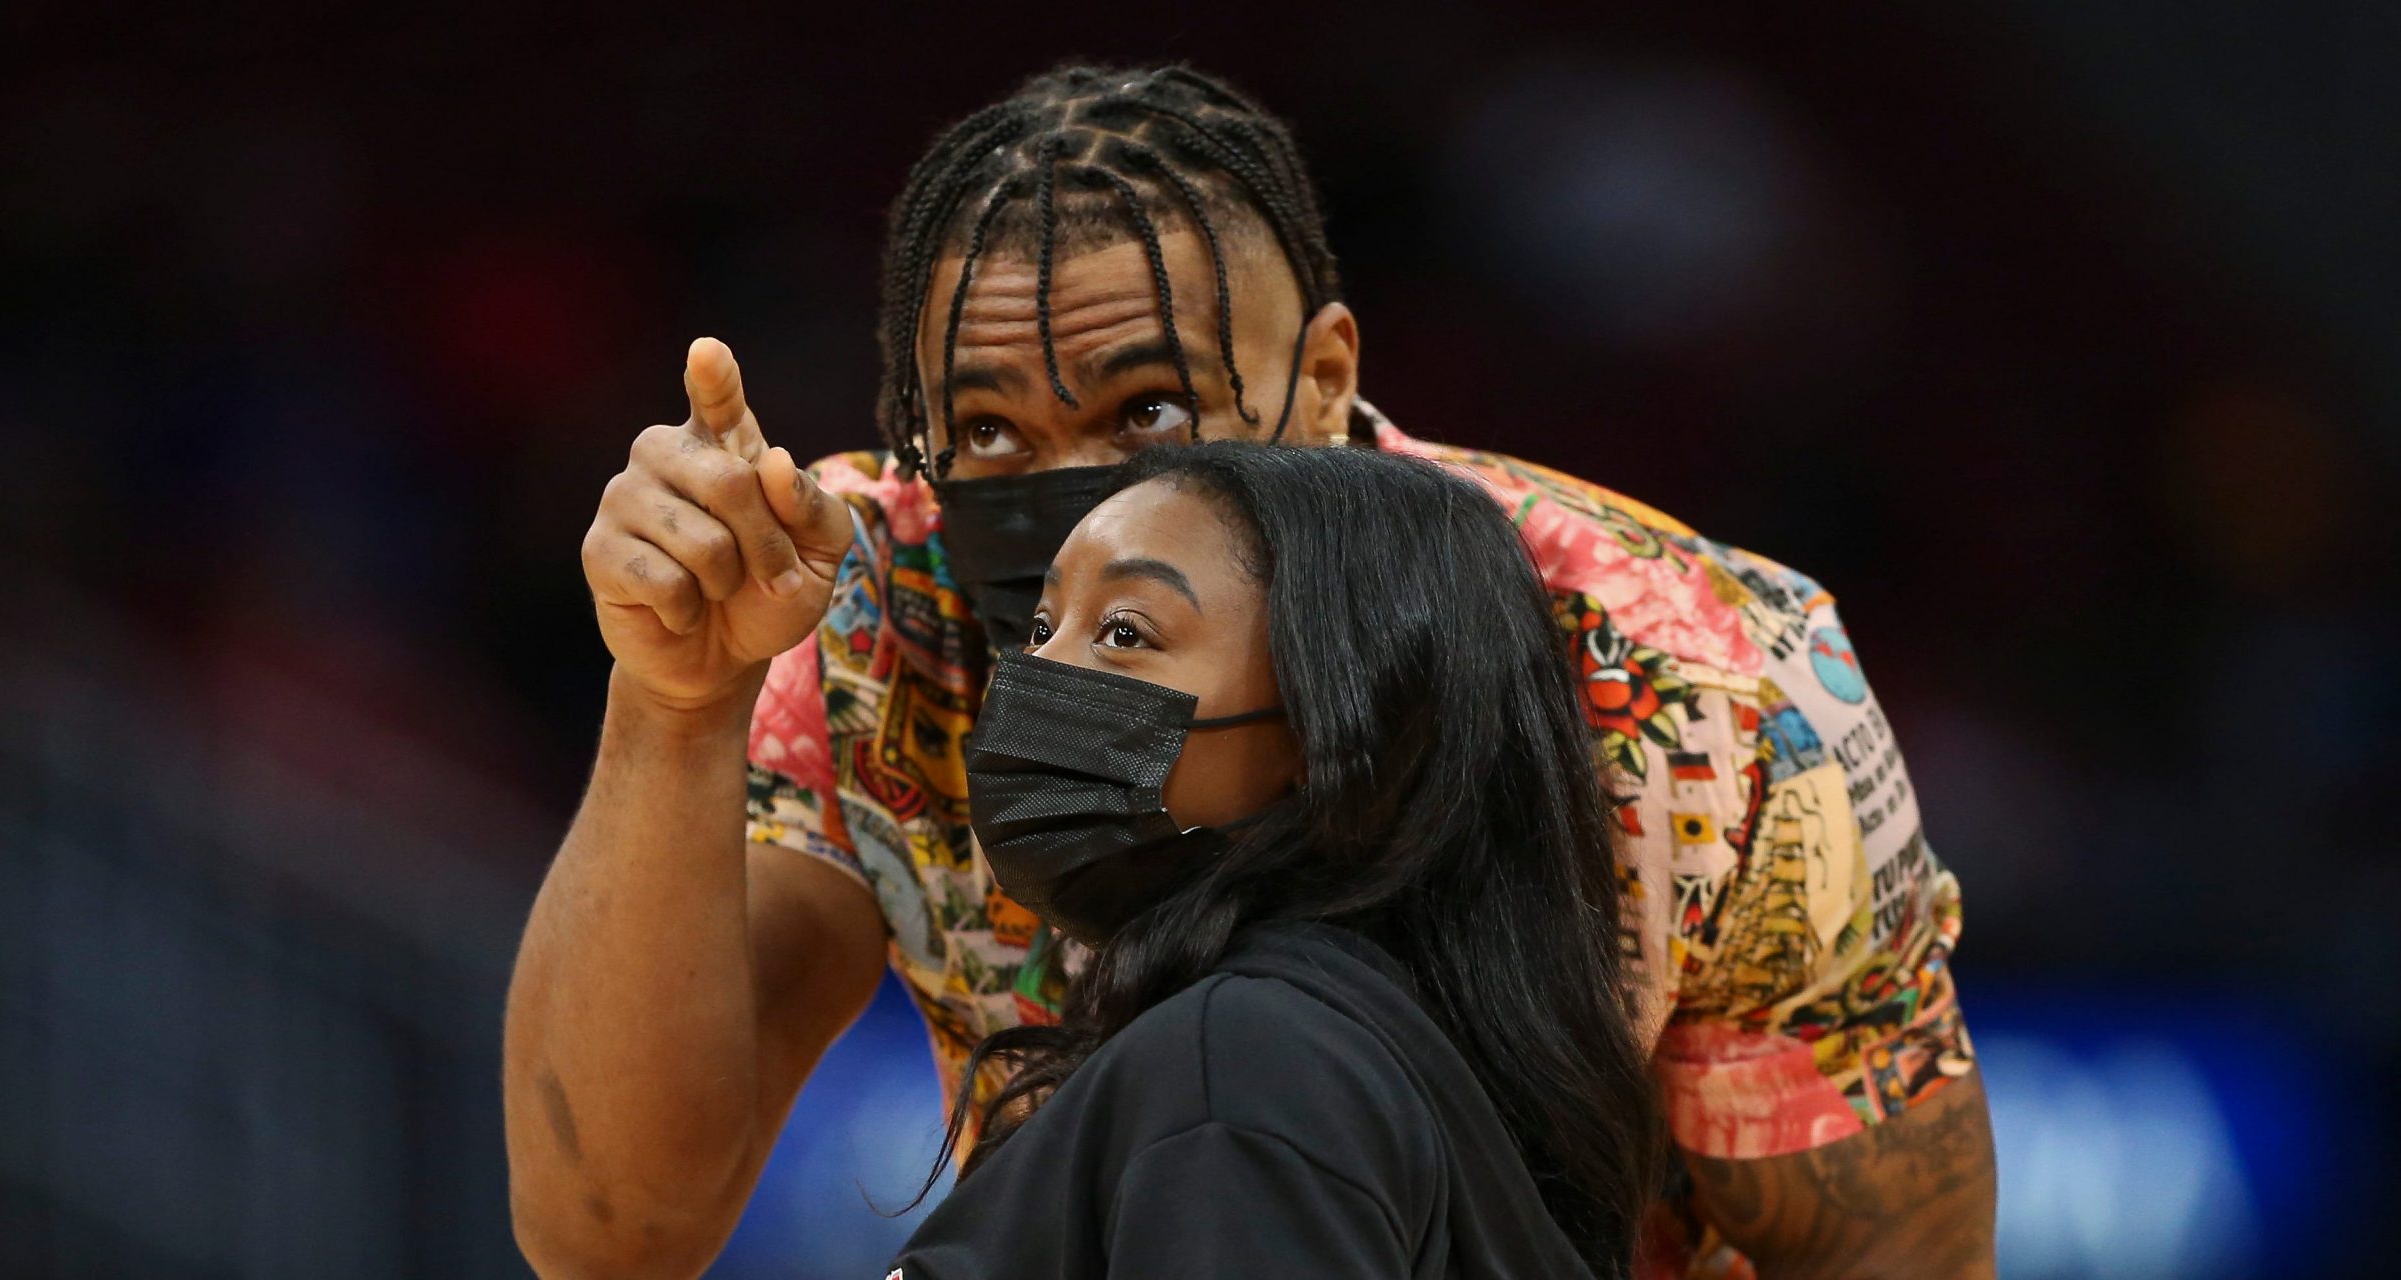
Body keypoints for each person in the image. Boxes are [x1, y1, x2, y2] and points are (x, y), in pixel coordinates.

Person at [503, 64, 1995, 1280]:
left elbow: (1896, 1259)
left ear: (1330, 377)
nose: (1080, 497)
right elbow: (611, 1230)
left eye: (1152, 413)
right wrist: (674, 702)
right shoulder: (855, 594)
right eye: (992, 433)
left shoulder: (1695, 686)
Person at [886, 441, 1664, 1280]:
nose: (1035, 674)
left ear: (1328, 728)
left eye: (1124, 631)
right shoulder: (1357, 1051)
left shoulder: (1245, 1063)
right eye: (1041, 627)